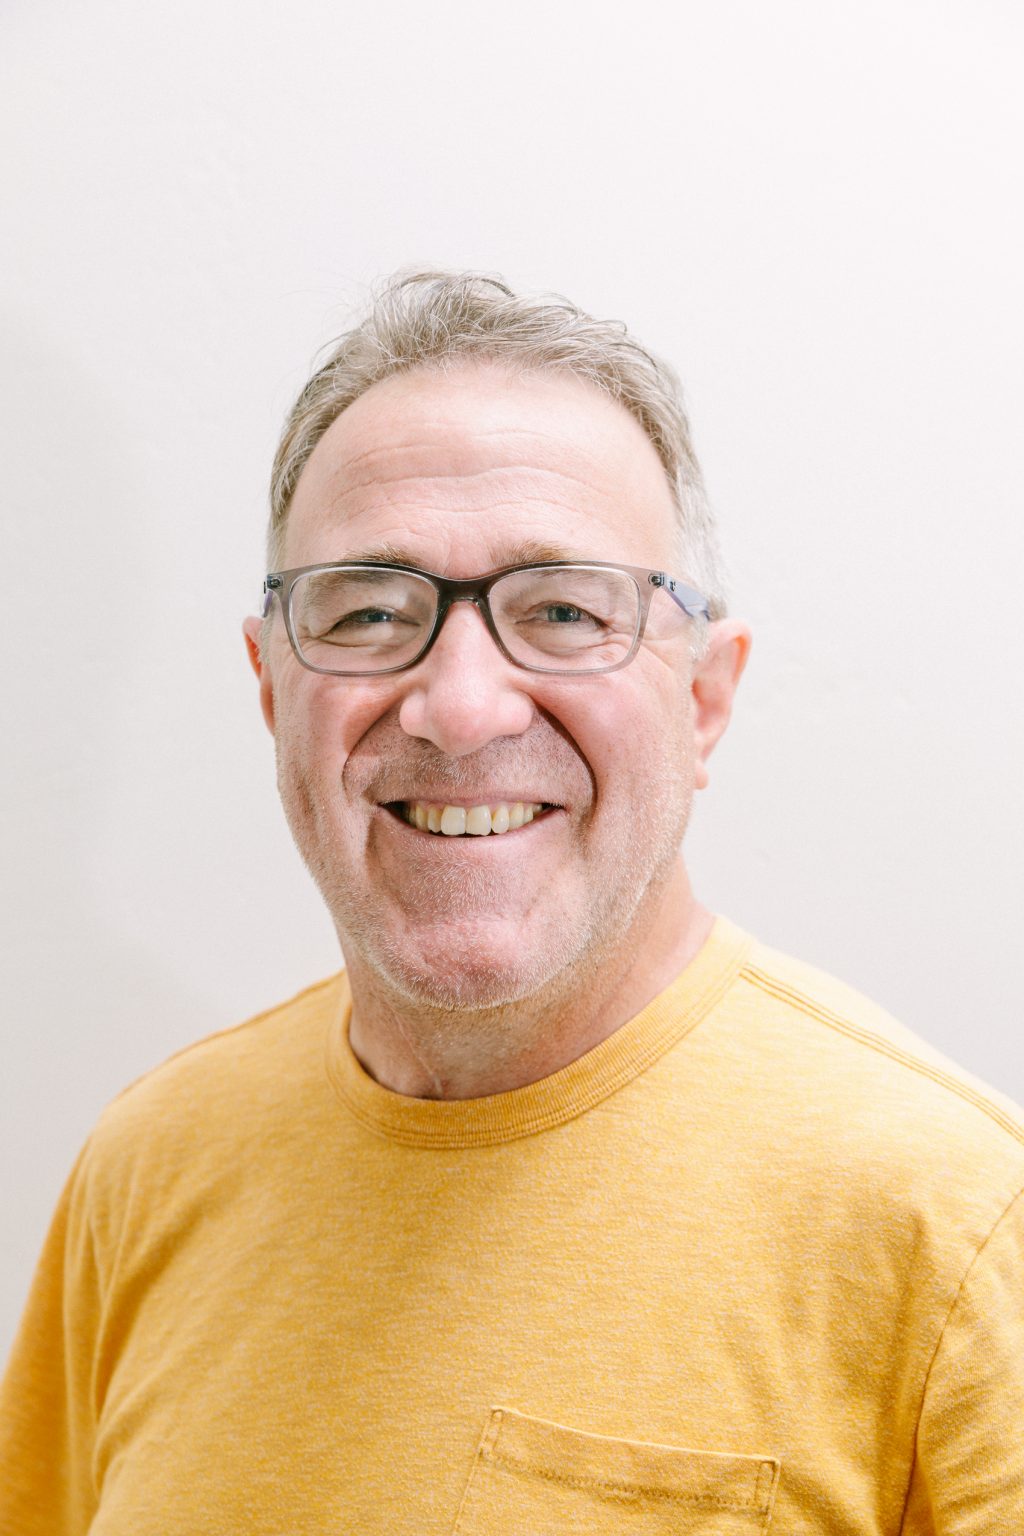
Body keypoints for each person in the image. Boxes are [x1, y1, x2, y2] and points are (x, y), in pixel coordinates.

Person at [1, 271, 1021, 1535]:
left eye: (563, 611)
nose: (463, 707)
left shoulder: (956, 1224)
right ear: (271, 690)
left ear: (703, 699)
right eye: (370, 611)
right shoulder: (148, 1166)